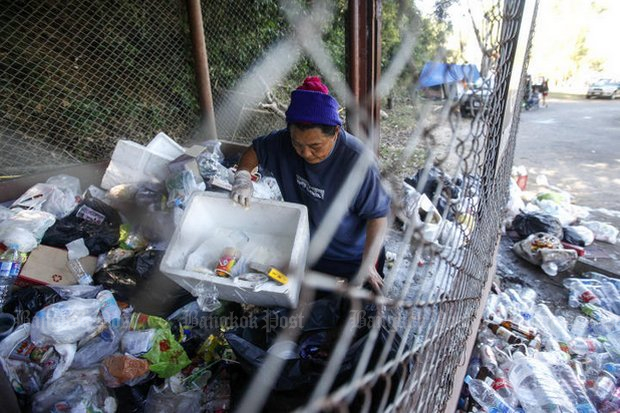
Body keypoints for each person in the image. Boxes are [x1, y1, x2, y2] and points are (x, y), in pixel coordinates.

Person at [229, 76, 391, 293]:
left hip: (354, 256)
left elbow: (378, 215)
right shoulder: (282, 143)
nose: (304, 152)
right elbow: (254, 151)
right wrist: (243, 177)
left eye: (315, 146)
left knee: (357, 315)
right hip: (310, 252)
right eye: (297, 143)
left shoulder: (358, 161)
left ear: (335, 132)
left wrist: (368, 265)